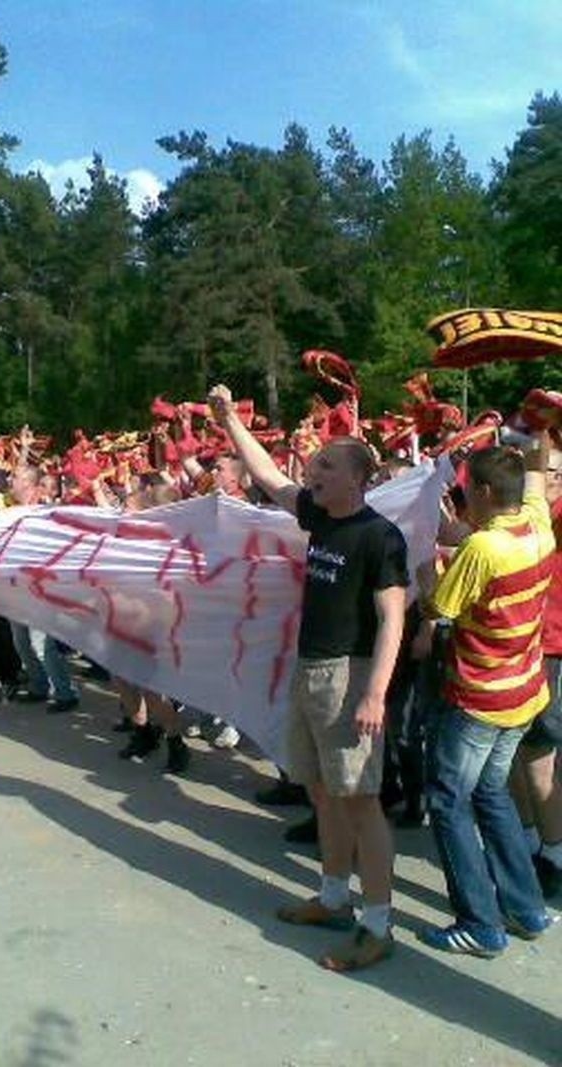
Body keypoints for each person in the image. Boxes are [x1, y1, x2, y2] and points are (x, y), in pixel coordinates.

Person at [209, 384, 408, 972]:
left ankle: (378, 925)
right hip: (312, 671)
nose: (311, 470)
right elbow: (269, 475)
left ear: (357, 478)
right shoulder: (319, 514)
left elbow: (392, 617)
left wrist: (375, 693)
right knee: (323, 792)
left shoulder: (380, 536)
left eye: (325, 465)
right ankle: (332, 897)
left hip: (351, 678)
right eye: (314, 463)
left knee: (361, 801)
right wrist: (227, 420)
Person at [419, 434, 554, 957]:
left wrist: (424, 572)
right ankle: (526, 908)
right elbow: (538, 483)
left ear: (479, 491)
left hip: (480, 697)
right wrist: (538, 441)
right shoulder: (537, 527)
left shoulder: (483, 547)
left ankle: (479, 922)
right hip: (524, 691)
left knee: (449, 800)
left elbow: (439, 609)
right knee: (491, 793)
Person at [509, 443, 562, 900]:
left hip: (550, 649)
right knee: (512, 754)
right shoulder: (521, 514)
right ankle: (525, 841)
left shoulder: (554, 516)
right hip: (514, 647)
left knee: (539, 757)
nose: (533, 476)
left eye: (543, 470)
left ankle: (555, 853)